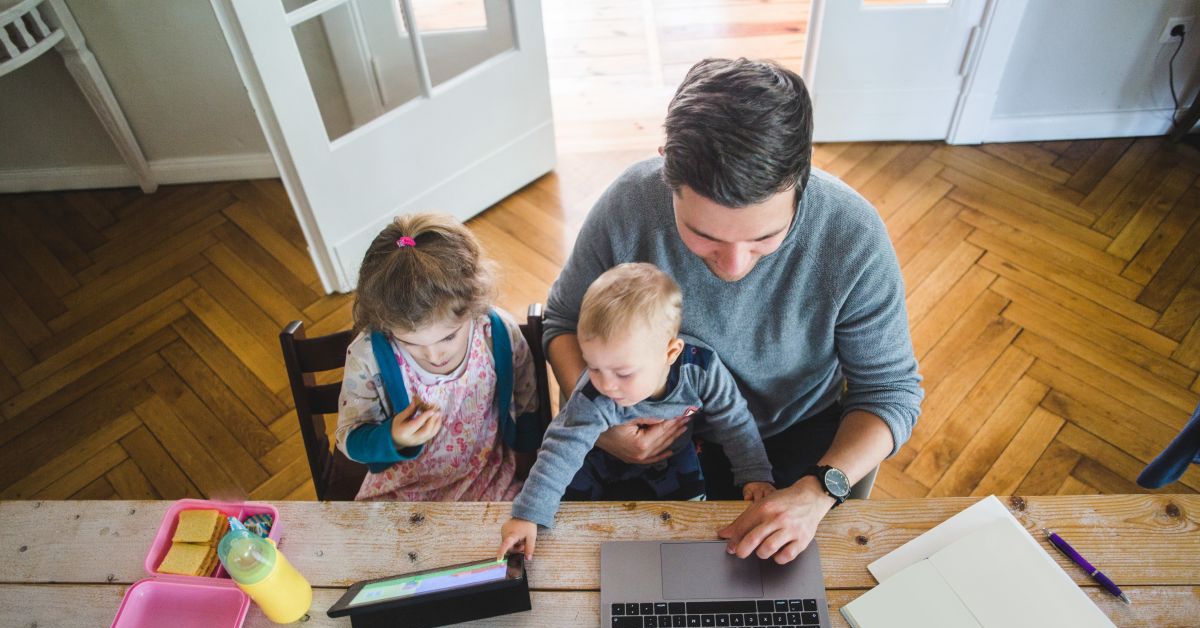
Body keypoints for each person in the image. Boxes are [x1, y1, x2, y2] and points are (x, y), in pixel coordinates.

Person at [540, 58, 924, 564]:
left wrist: (820, 488)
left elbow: (890, 392)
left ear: (800, 177)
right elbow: (563, 321)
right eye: (703, 236)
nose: (734, 264)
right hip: (647, 426)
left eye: (765, 237)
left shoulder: (851, 236)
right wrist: (602, 420)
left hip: (792, 441)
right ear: (665, 170)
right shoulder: (630, 206)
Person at [496, 263, 775, 560]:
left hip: (673, 456)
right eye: (593, 367)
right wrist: (528, 515)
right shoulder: (593, 391)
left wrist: (754, 475)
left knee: (694, 526)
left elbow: (733, 419)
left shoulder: (702, 369)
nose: (605, 384)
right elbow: (561, 449)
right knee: (568, 522)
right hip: (595, 459)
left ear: (670, 353)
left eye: (623, 373)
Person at [334, 213, 542, 501]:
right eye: (411, 343)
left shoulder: (497, 334)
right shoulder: (368, 354)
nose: (434, 355)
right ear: (383, 324)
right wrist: (393, 436)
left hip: (489, 481)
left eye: (448, 337)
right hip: (400, 493)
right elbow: (349, 437)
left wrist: (532, 467)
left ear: (474, 304)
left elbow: (527, 402)